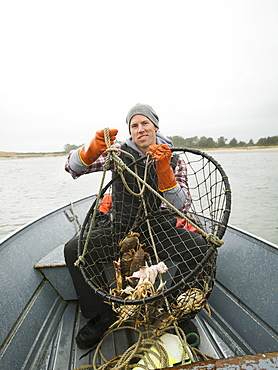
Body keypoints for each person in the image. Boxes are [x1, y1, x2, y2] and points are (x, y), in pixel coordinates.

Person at [64, 103, 207, 349]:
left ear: (155, 127)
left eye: (145, 124)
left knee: (201, 249)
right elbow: (73, 168)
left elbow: (182, 207)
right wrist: (89, 151)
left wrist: (165, 173)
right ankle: (103, 315)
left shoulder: (174, 159)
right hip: (120, 229)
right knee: (73, 250)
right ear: (130, 131)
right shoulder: (119, 154)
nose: (140, 129)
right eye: (134, 125)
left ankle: (176, 312)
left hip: (159, 230)